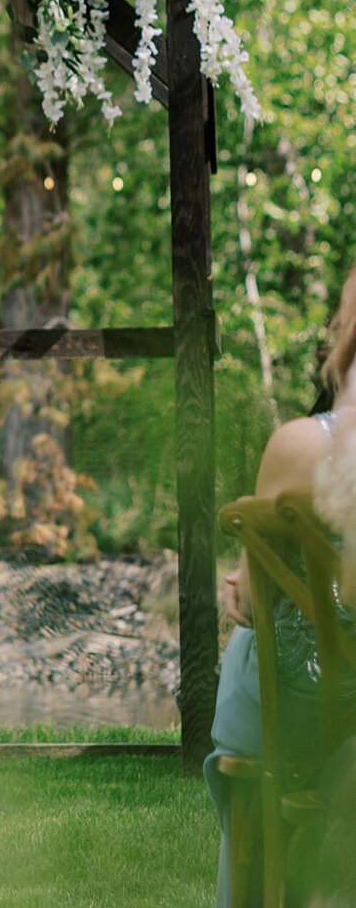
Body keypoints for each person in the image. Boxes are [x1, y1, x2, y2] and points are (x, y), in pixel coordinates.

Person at [206, 262, 356, 906]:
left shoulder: (302, 445)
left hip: (297, 702)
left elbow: (252, 600)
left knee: (265, 645)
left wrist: (240, 584)